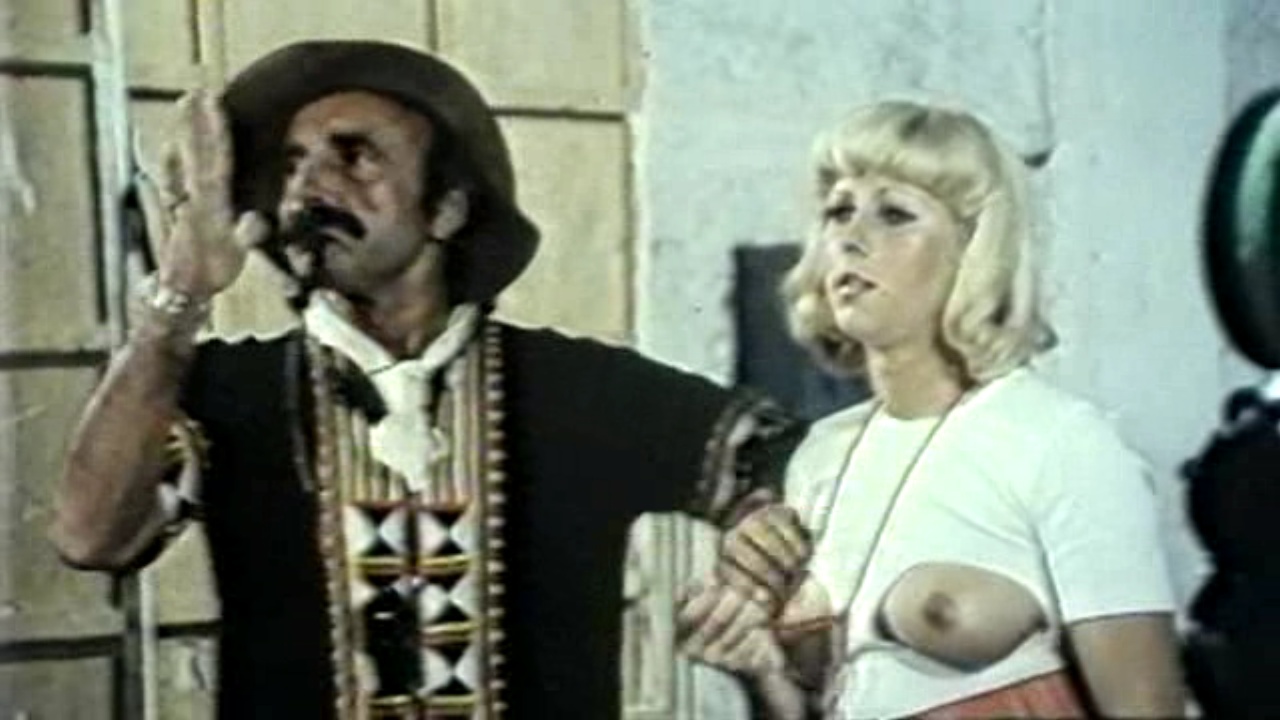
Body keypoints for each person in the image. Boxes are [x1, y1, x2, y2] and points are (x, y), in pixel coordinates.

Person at [50, 40, 812, 720]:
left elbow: (793, 465)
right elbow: (90, 536)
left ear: (446, 209)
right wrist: (179, 298)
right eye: (291, 164)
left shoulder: (582, 391)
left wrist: (759, 547)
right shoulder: (226, 389)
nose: (308, 188)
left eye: (354, 157)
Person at [677, 101, 1186, 718]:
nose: (850, 238)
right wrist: (760, 661)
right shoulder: (821, 455)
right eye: (839, 211)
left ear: (974, 250)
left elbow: (1145, 708)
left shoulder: (1059, 441)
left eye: (894, 214)